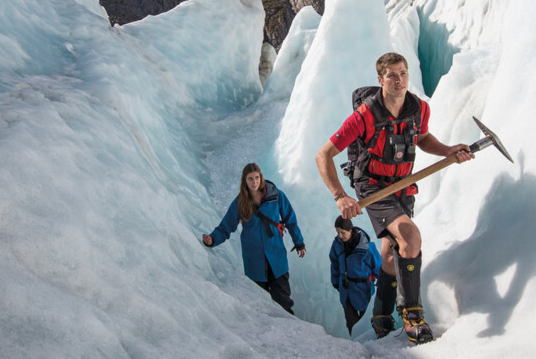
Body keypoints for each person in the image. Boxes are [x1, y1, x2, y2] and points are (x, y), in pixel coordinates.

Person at [315, 52, 474, 344]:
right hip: (373, 185)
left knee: (391, 253)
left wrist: (449, 150)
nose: (399, 80)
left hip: (402, 186)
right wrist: (340, 196)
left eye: (403, 73)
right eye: (392, 75)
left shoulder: (418, 109)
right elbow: (323, 154)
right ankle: (413, 316)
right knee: (411, 237)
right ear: (381, 80)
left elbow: (423, 138)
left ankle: (381, 315)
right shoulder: (365, 115)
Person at [203, 162, 306, 314]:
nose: (254, 182)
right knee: (260, 309)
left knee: (284, 305)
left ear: (261, 178)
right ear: (245, 181)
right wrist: (212, 239)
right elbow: (226, 226)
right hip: (255, 263)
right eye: (250, 179)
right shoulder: (240, 202)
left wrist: (299, 243)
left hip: (276, 259)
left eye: (257, 177)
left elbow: (290, 220)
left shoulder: (275, 195)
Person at [329, 216, 381, 336]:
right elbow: (335, 263)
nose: (340, 236)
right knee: (351, 323)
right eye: (338, 233)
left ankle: (370, 345)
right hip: (346, 289)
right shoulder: (337, 244)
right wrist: (335, 281)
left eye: (343, 232)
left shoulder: (367, 247)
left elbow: (378, 266)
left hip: (363, 289)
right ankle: (355, 345)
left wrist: (384, 284)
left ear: (350, 230)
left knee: (366, 321)